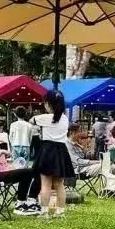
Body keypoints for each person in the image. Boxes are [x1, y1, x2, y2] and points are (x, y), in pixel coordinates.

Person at [31, 89, 72, 218]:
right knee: (59, 184)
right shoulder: (65, 119)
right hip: (61, 150)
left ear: (48, 104)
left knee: (46, 183)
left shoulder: (45, 118)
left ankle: (44, 212)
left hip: (47, 150)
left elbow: (31, 120)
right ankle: (60, 211)